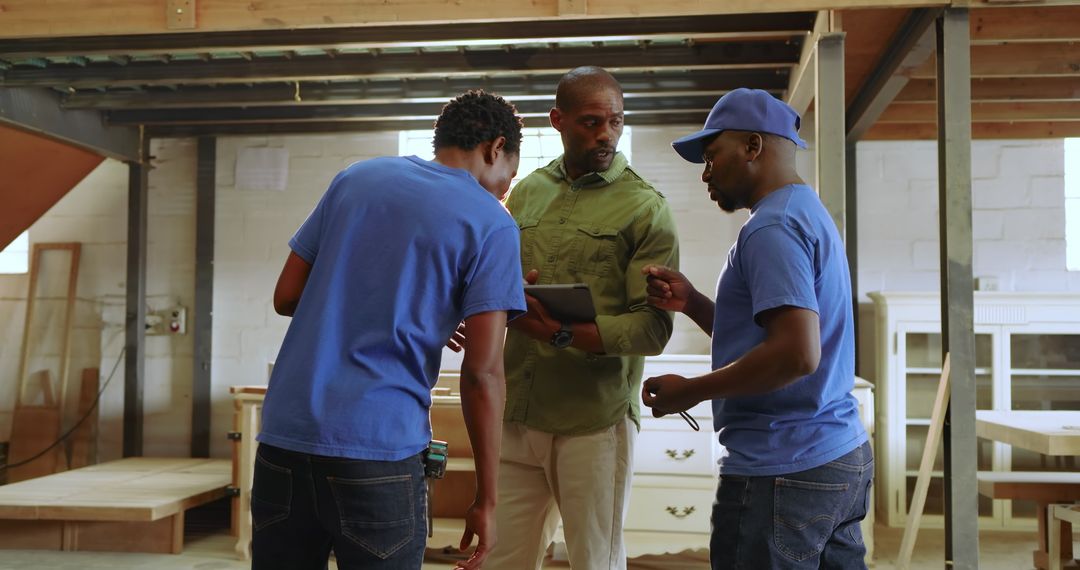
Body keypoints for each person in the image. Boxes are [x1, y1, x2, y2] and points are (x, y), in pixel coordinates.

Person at [253, 90, 527, 570]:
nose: (503, 190)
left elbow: (287, 297)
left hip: (284, 439)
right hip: (377, 452)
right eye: (508, 178)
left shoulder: (357, 178)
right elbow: (482, 375)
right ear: (495, 149)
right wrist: (486, 498)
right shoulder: (492, 223)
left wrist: (412, 315)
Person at [640, 88, 873, 569]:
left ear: (752, 146)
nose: (704, 173)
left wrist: (693, 391)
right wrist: (695, 304)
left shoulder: (771, 229)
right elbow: (779, 341)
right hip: (836, 455)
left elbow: (795, 355)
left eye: (711, 155)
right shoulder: (804, 211)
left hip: (782, 469)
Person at [485, 66, 680, 570]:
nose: (605, 135)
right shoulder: (526, 192)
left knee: (595, 561)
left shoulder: (645, 207)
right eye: (591, 122)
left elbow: (653, 329)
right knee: (501, 558)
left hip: (592, 420)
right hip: (518, 409)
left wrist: (557, 331)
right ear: (558, 120)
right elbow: (500, 280)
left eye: (614, 122)